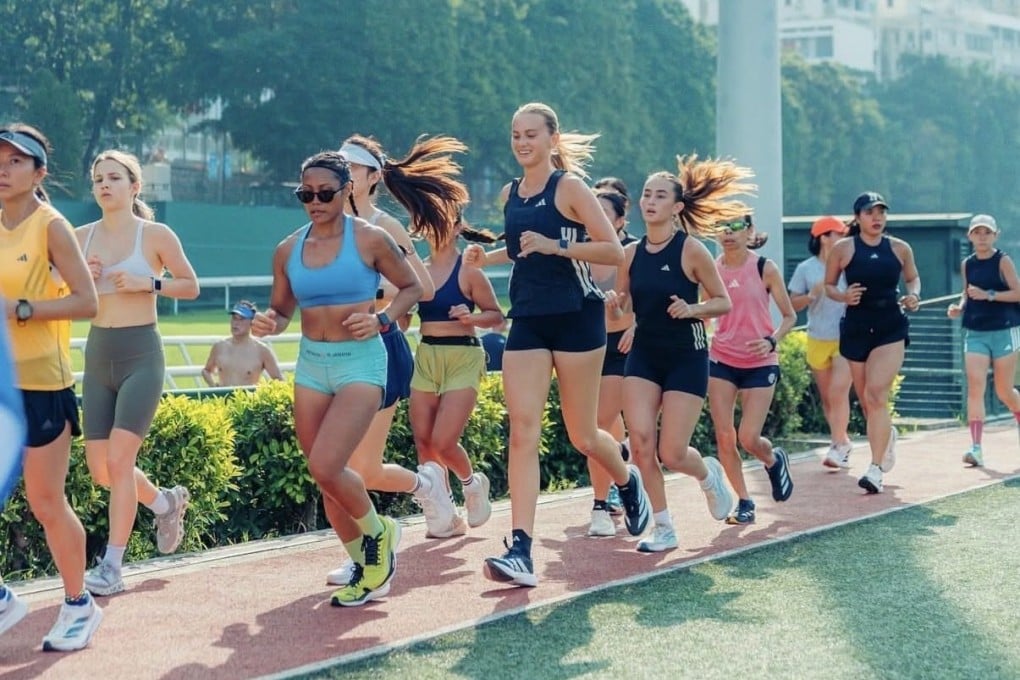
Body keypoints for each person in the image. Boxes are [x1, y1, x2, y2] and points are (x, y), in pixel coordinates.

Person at [463, 102, 651, 587]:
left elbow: (612, 250)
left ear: (552, 138)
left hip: (576, 318)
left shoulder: (569, 188)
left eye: (531, 134)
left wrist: (558, 248)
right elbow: (524, 246)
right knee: (522, 431)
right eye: (515, 135)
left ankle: (627, 484)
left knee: (583, 435)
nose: (522, 142)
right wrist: (489, 257)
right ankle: (521, 548)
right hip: (527, 319)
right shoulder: (510, 193)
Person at [324, 134, 466, 587]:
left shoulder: (386, 226)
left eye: (352, 167)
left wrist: (374, 297)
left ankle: (426, 490)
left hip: (381, 351)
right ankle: (367, 544)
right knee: (340, 467)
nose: (343, 174)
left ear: (371, 177)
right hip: (334, 352)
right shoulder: (324, 223)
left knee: (356, 467)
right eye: (338, 165)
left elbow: (421, 287)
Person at [75, 149, 200, 597]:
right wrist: (80, 281)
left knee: (120, 460)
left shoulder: (155, 235)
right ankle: (166, 502)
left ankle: (112, 566)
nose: (104, 185)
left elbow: (191, 285)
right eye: (97, 179)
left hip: (141, 354)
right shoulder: (79, 237)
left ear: (135, 186)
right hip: (97, 355)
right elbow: (59, 290)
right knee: (102, 470)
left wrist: (151, 283)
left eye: (114, 177)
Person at [614, 159, 752, 550]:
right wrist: (613, 303)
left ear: (676, 207)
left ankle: (708, 475)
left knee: (671, 452)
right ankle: (664, 527)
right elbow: (624, 308)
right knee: (640, 442)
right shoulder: (630, 254)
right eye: (646, 194)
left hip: (685, 357)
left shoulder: (691, 250)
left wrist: (692, 310)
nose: (650, 201)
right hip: (644, 356)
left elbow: (722, 302)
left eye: (660, 195)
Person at [0, 124, 101, 651]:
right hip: (0, 387)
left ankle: (79, 605)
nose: (3, 167)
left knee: (45, 501)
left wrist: (24, 309)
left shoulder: (51, 226)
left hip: (42, 385)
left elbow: (88, 302)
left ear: (40, 172)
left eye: (16, 161)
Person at [409, 211, 504, 535]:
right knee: (424, 442)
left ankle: (472, 483)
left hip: (463, 354)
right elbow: (403, 318)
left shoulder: (469, 270)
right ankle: (447, 515)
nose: (435, 229)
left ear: (458, 227)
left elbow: (496, 317)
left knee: (444, 441)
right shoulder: (416, 271)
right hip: (427, 353)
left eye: (443, 221)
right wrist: (401, 313)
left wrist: (471, 318)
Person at [825, 191, 920, 494]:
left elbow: (913, 279)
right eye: (869, 212)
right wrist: (843, 295)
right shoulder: (843, 248)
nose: (877, 217)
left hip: (889, 326)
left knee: (877, 394)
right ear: (858, 217)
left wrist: (914, 295)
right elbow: (828, 285)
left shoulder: (899, 248)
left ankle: (875, 469)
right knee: (867, 401)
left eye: (881, 212)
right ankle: (886, 436)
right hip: (855, 327)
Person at [709, 214, 797, 525]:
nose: (728, 233)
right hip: (721, 359)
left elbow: (789, 316)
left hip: (760, 362)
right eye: (722, 227)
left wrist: (771, 341)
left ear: (749, 231)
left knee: (748, 437)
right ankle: (745, 502)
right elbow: (706, 311)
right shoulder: (712, 269)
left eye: (735, 227)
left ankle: (773, 460)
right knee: (724, 435)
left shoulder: (764, 268)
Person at [947, 214, 1020, 467]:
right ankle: (976, 447)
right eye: (977, 232)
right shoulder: (968, 263)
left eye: (986, 232)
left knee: (1003, 391)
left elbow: (1017, 293)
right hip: (975, 331)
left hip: (1005, 329)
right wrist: (959, 307)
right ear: (970, 236)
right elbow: (966, 294)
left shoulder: (1003, 261)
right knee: (975, 386)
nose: (982, 237)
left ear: (995, 235)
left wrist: (989, 295)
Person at [585, 189, 637, 537]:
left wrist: (636, 322)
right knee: (593, 429)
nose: (597, 218)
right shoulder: (579, 252)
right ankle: (622, 463)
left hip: (623, 344)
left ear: (620, 221)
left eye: (605, 213)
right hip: (587, 345)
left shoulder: (631, 253)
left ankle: (600, 505)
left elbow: (651, 296)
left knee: (601, 420)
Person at [788, 216, 854, 469]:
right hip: (817, 337)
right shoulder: (806, 268)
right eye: (838, 234)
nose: (843, 238)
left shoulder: (848, 265)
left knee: (838, 392)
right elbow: (793, 303)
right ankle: (842, 441)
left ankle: (837, 446)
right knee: (828, 398)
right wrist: (811, 295)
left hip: (844, 336)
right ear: (824, 237)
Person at [202, 300, 284, 387]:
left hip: (248, 399)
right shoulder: (219, 347)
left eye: (241, 319)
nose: (236, 323)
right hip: (224, 399)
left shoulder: (262, 351)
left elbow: (279, 380)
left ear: (251, 322)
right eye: (234, 318)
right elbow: (206, 371)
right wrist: (214, 387)